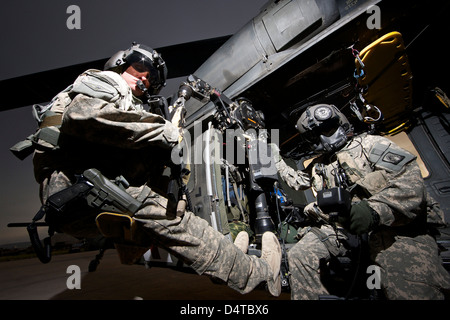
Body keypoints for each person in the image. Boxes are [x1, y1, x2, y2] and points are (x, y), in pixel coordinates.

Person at [26, 43, 282, 296]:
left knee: (166, 205)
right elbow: (81, 116)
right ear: (120, 66)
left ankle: (225, 260)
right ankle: (258, 273)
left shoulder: (125, 105)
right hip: (74, 192)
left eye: (150, 79)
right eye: (140, 69)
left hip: (81, 197)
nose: (144, 79)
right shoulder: (107, 82)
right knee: (173, 220)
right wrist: (164, 131)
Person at [270, 103, 450, 300]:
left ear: (341, 123)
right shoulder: (318, 165)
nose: (323, 138)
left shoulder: (371, 145)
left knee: (406, 282)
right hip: (342, 229)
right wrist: (274, 156)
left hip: (394, 229)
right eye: (315, 136)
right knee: (300, 255)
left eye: (327, 128)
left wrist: (372, 211)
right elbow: (296, 181)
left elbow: (410, 184)